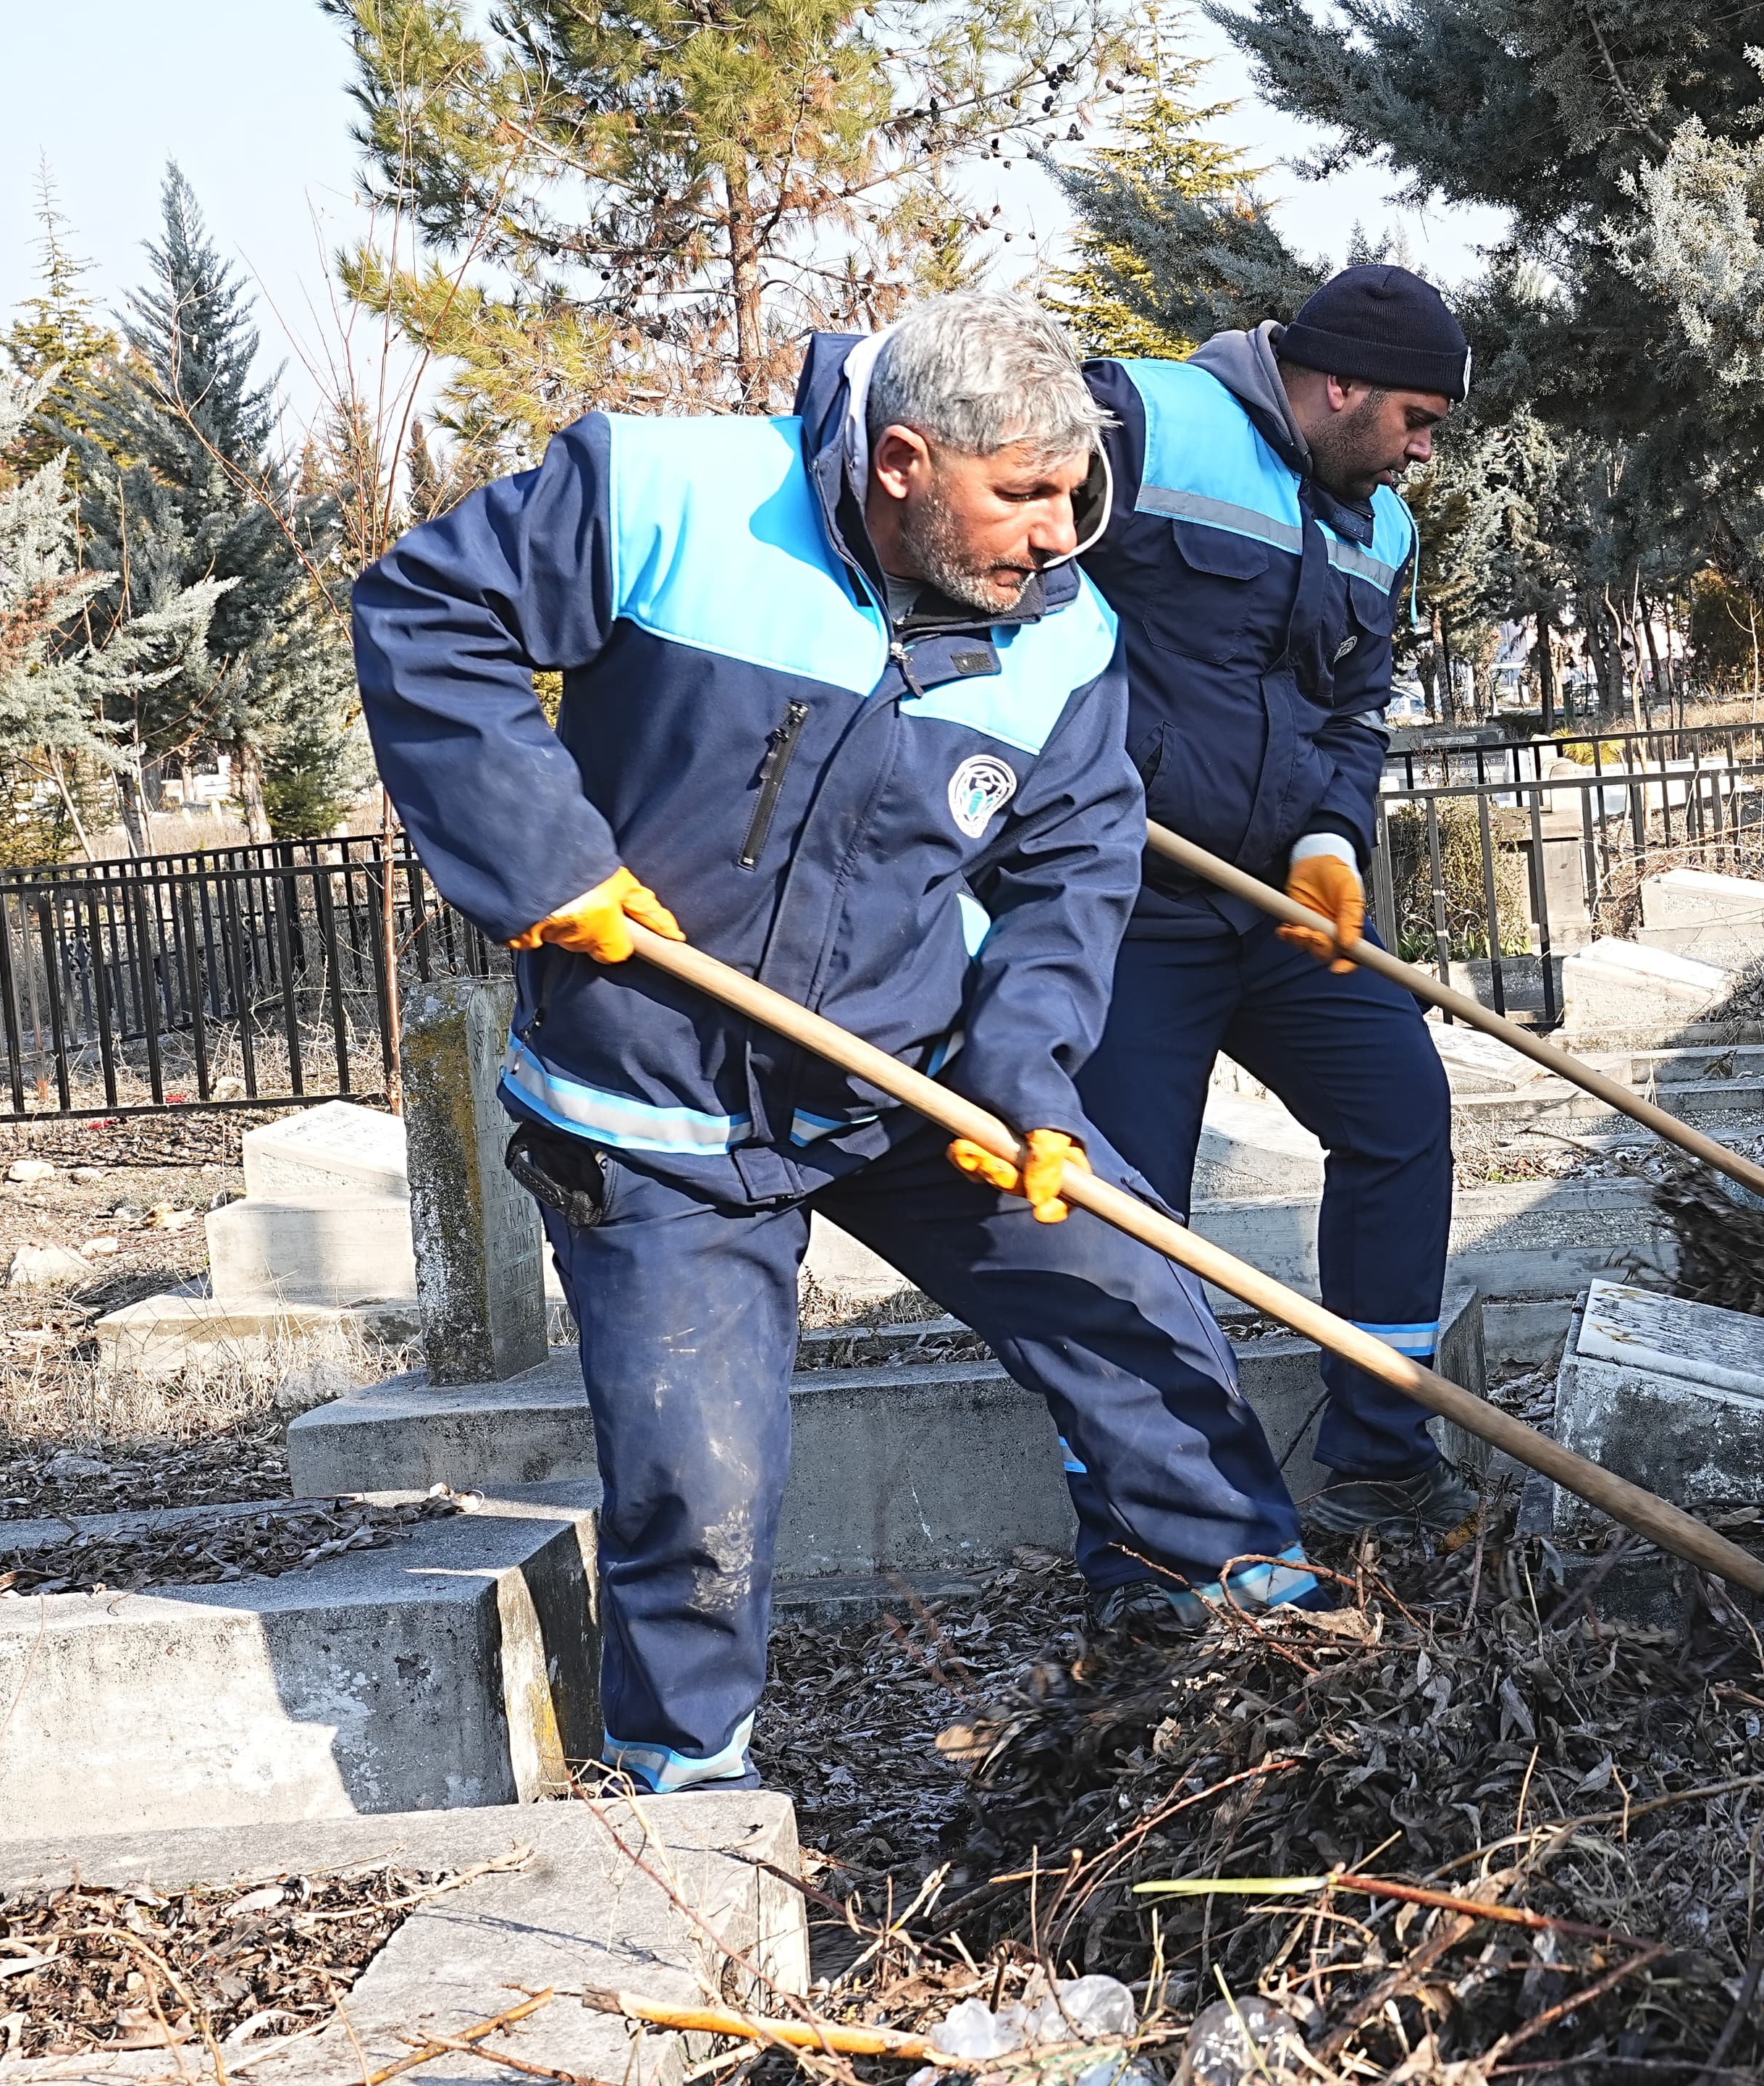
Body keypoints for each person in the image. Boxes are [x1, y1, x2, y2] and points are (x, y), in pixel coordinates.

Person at [350, 291, 1320, 1792]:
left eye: (1073, 495)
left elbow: (1070, 877)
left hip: (911, 1073)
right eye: (1021, 497)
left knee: (1139, 1300)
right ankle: (689, 1786)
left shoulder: (1069, 641)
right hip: (655, 1103)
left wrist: (1026, 1076)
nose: (1058, 534)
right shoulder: (665, 495)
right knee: (700, 1478)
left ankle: (1250, 1637)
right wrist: (541, 861)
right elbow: (426, 610)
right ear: (902, 464)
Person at [1070, 265, 1475, 1552]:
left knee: (1401, 1111)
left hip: (1281, 906)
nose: (1422, 452)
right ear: (1339, 381)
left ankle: (1379, 1453)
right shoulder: (1137, 424)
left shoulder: (1383, 533)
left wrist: (1330, 838)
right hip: (1128, 905)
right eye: (1417, 418)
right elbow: (998, 579)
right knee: (1130, 1208)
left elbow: (1352, 712)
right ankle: (1145, 1531)